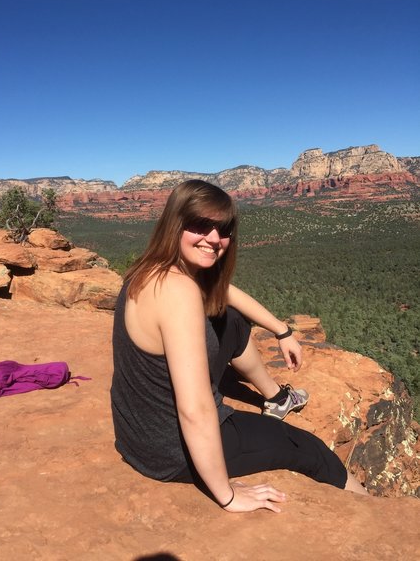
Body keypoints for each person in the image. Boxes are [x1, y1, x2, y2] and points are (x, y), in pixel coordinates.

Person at [111, 180, 367, 513]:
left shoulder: (153, 269)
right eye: (201, 225)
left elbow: (225, 292)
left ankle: (277, 398)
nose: (214, 238)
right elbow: (196, 410)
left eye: (224, 228)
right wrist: (227, 495)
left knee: (230, 319)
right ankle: (372, 507)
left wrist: (281, 330)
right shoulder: (177, 292)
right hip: (170, 452)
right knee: (309, 448)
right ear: (175, 222)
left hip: (138, 434)